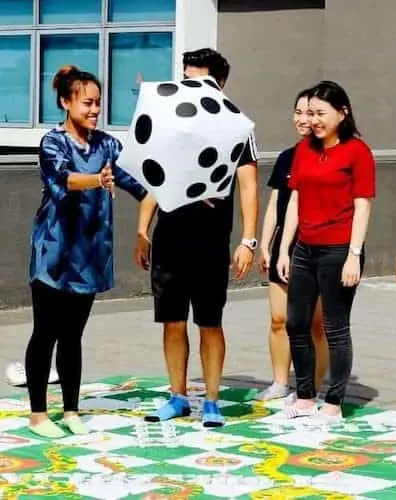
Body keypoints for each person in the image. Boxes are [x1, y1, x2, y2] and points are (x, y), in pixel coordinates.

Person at [134, 48, 258, 427]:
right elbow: (154, 179)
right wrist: (142, 229)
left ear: (218, 85)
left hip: (210, 241)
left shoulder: (237, 128)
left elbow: (248, 186)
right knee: (172, 321)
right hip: (170, 238)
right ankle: (177, 396)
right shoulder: (172, 124)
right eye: (185, 79)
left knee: (209, 322)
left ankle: (213, 401)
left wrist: (248, 240)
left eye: (198, 81)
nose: (188, 87)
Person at [25, 65, 149, 438]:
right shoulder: (52, 143)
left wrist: (172, 205)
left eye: (98, 103)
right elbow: (62, 178)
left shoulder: (108, 145)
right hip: (54, 253)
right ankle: (38, 415)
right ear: (66, 102)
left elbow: (140, 184)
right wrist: (97, 179)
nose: (95, 110)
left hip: (91, 254)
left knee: (73, 335)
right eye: (87, 103)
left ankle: (71, 409)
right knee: (45, 332)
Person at [277, 80, 376, 422]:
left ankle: (333, 401)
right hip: (304, 248)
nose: (314, 120)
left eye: (321, 113)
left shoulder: (357, 151)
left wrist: (354, 254)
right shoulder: (304, 148)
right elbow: (295, 199)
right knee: (296, 323)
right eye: (310, 113)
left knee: (335, 327)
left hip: (339, 251)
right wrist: (284, 249)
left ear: (342, 113)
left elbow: (362, 206)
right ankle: (304, 395)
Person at [255, 88, 328, 402]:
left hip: (316, 248)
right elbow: (275, 204)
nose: (302, 119)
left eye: (310, 113)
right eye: (298, 112)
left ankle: (312, 385)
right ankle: (280, 382)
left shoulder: (328, 155)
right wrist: (265, 245)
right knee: (278, 319)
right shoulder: (287, 156)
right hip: (283, 248)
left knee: (315, 323)